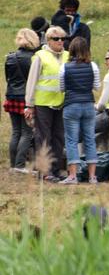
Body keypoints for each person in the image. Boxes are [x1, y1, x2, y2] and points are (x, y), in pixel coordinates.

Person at [24, 26, 69, 182]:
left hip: (61, 103)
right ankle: (45, 171)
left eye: (63, 39)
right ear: (48, 40)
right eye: (56, 39)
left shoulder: (68, 56)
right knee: (44, 137)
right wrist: (29, 104)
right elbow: (32, 81)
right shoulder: (40, 56)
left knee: (58, 137)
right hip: (43, 103)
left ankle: (56, 170)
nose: (60, 42)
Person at [58, 37, 100, 185]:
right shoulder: (93, 66)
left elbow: (62, 88)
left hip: (71, 105)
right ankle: (92, 177)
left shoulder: (65, 67)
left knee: (71, 141)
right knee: (90, 139)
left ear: (72, 50)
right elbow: (96, 86)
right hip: (88, 104)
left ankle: (73, 176)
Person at [4, 29, 40, 173]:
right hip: (26, 98)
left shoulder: (10, 57)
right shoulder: (34, 58)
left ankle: (13, 165)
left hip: (11, 96)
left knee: (16, 131)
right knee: (27, 132)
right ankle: (20, 165)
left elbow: (8, 78)